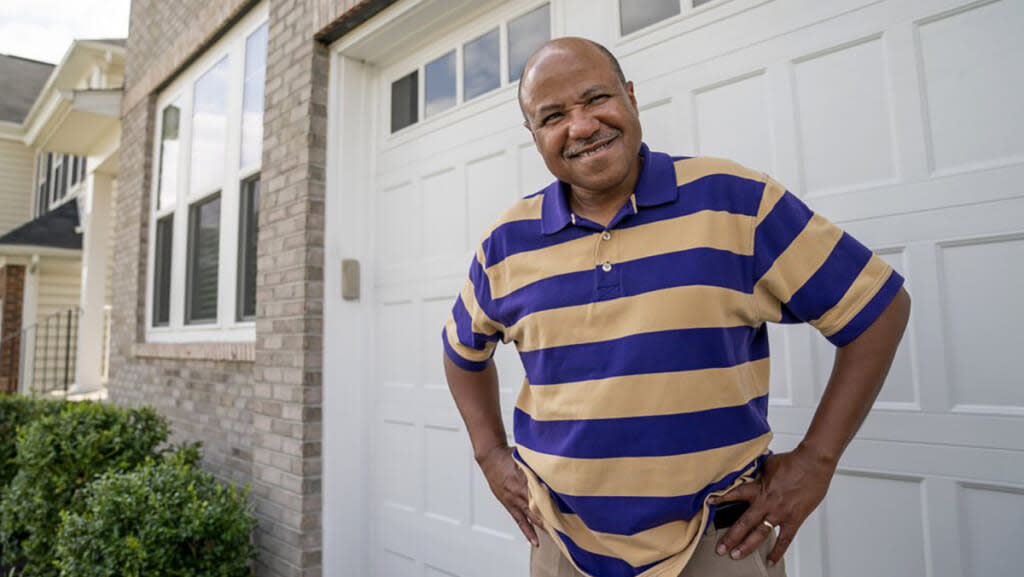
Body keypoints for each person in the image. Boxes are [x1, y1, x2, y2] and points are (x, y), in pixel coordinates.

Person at [441, 37, 910, 577]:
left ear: (631, 97)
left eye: (595, 98)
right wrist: (489, 453)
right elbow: (460, 350)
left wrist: (818, 459)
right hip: (562, 548)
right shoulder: (507, 242)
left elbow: (878, 307)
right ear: (535, 135)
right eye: (553, 116)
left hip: (717, 547)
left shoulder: (735, 200)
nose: (582, 125)